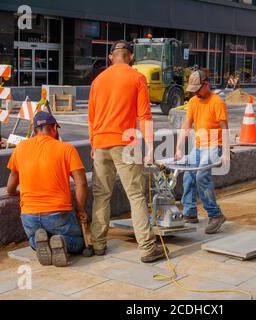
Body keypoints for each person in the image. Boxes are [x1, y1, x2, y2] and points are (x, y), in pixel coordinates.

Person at [88, 40, 167, 263]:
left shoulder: (98, 80)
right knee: (135, 195)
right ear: (131, 57)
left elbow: (92, 118)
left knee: (101, 195)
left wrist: (94, 143)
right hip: (126, 143)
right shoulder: (136, 78)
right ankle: (148, 248)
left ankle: (98, 244)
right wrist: (150, 147)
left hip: (101, 143)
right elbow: (145, 116)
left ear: (112, 57)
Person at [7, 112, 88, 267]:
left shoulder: (21, 147)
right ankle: (61, 242)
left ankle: (38, 243)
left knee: (33, 240)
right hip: (57, 213)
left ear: (35, 130)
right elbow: (82, 184)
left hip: (29, 215)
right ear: (54, 129)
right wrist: (81, 210)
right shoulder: (67, 149)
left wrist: (11, 193)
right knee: (78, 243)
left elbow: (12, 180)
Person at [175, 70, 230, 234]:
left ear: (206, 84)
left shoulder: (217, 102)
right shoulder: (193, 101)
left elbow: (225, 128)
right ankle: (190, 212)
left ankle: (215, 215)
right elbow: (186, 125)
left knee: (201, 176)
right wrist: (178, 147)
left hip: (215, 145)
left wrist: (225, 152)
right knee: (188, 174)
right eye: (193, 90)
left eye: (198, 89)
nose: (195, 93)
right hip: (199, 146)